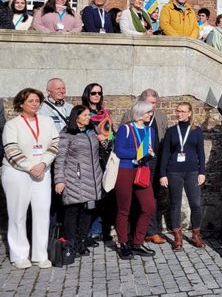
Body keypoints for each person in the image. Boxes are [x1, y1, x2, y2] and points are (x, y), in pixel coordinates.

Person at [1, 88, 60, 269]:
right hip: (17, 172)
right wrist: (30, 167)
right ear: (21, 104)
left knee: (42, 213)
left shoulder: (47, 121)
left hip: (42, 170)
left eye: (37, 101)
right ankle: (19, 254)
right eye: (31, 101)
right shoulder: (12, 125)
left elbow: (55, 143)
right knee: (18, 214)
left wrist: (42, 164)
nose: (35, 104)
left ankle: (40, 254)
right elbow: (11, 150)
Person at [54, 105, 104, 264]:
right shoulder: (67, 134)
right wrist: (59, 180)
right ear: (77, 117)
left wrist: (104, 140)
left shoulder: (92, 131)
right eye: (85, 115)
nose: (89, 117)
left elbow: (102, 151)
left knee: (88, 211)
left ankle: (82, 240)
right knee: (72, 211)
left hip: (93, 178)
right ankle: (71, 243)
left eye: (89, 114)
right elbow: (60, 159)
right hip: (74, 179)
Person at [120, 88, 170, 244]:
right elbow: (122, 143)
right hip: (131, 164)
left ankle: (150, 231)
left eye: (154, 103)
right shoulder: (129, 116)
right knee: (131, 200)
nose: (152, 107)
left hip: (153, 161)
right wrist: (137, 154)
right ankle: (131, 233)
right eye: (149, 103)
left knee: (151, 197)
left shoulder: (161, 117)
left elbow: (164, 139)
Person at [113, 101, 157, 259]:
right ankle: (123, 243)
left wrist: (149, 154)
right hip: (125, 170)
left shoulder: (149, 130)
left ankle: (137, 242)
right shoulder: (125, 128)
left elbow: (150, 149)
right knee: (124, 208)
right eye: (147, 112)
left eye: (150, 112)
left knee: (148, 206)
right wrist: (138, 153)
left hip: (142, 170)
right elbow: (119, 150)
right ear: (139, 113)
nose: (150, 115)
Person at [159, 102, 206, 250]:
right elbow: (165, 153)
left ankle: (196, 234)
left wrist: (202, 172)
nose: (180, 114)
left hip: (192, 171)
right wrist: (162, 174)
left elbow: (201, 153)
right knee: (175, 204)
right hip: (174, 171)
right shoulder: (171, 131)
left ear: (190, 113)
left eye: (184, 111)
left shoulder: (197, 131)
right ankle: (177, 237)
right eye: (178, 111)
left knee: (196, 204)